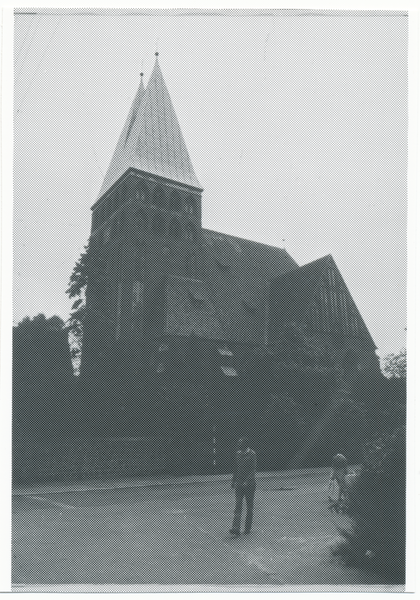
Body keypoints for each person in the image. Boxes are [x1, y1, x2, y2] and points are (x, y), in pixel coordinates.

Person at [229, 437, 257, 536]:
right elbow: (236, 468)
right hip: (239, 484)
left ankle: (247, 528)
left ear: (245, 445)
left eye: (240, 443)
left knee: (249, 507)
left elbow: (253, 469)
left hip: (250, 484)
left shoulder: (252, 454)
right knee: (238, 504)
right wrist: (233, 481)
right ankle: (236, 527)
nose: (238, 445)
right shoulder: (238, 454)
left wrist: (247, 481)